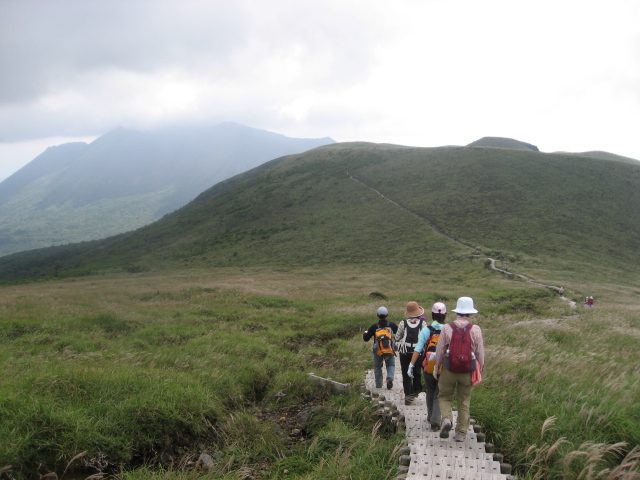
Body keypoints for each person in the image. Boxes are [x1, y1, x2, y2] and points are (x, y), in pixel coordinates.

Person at [433, 297, 484, 442]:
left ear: (457, 311)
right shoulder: (475, 329)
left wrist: (437, 368)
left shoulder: (447, 328)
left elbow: (440, 351)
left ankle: (447, 419)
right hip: (468, 370)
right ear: (470, 313)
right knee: (464, 400)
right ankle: (461, 432)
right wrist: (480, 369)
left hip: (449, 369)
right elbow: (480, 352)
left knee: (444, 396)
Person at [407, 302, 447, 430]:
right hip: (444, 367)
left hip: (428, 366)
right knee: (439, 393)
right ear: (445, 315)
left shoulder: (426, 330)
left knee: (430, 391)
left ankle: (431, 417)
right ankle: (436, 421)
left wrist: (411, 365)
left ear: (432, 314)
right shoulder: (449, 329)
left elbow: (418, 349)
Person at [395, 301, 426, 404]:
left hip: (405, 352)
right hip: (418, 352)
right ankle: (416, 391)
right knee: (417, 372)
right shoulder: (423, 323)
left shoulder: (403, 323)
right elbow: (425, 338)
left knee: (405, 373)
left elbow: (397, 337)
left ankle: (408, 395)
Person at [363, 306, 398, 390]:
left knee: (377, 366)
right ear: (387, 315)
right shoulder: (392, 325)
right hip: (389, 349)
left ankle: (378, 385)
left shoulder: (374, 326)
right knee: (391, 365)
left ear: (377, 315)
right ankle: (389, 378)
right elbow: (400, 334)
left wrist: (365, 333)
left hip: (378, 350)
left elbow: (366, 339)